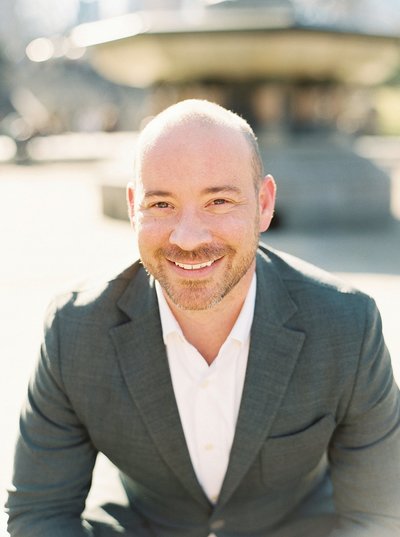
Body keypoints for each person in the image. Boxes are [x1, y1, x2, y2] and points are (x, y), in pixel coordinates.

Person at [5, 99, 400, 537]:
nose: (188, 238)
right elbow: (39, 512)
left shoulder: (347, 325)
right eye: (162, 205)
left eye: (218, 200)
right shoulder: (75, 330)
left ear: (264, 203)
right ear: (134, 206)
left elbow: (379, 515)